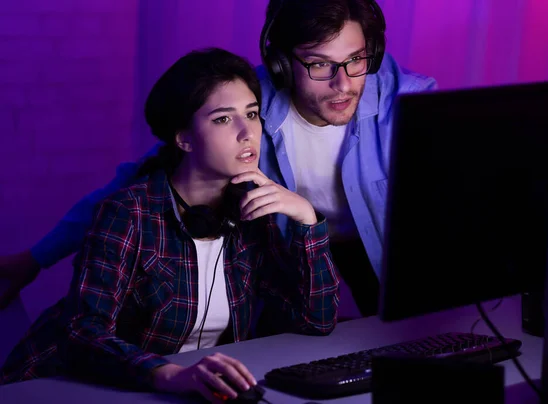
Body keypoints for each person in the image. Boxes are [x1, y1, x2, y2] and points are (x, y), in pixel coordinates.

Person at [0, 0, 436, 318]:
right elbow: (137, 183)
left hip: (377, 249)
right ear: (283, 63)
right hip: (291, 253)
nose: (342, 85)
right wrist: (35, 258)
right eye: (320, 65)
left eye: (355, 61)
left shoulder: (409, 100)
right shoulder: (244, 107)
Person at [0, 48, 339, 402]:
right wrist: (169, 373)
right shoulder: (128, 212)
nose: (247, 133)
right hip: (66, 385)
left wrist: (306, 219)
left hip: (181, 391)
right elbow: (83, 332)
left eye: (252, 114)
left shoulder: (252, 209)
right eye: (223, 119)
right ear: (183, 138)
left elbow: (315, 323)